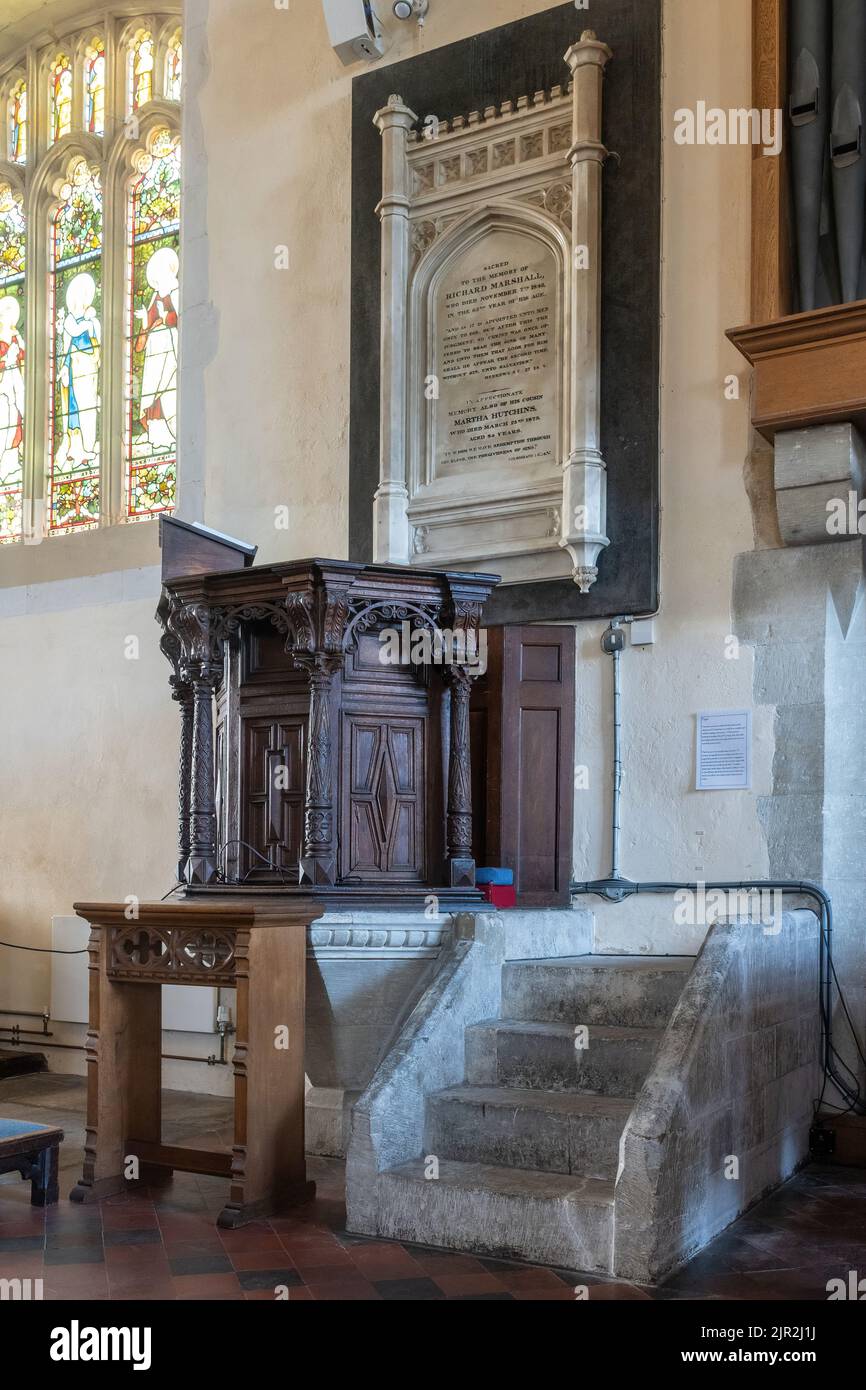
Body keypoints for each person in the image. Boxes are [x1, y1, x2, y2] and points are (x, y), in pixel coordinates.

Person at [135, 246, 179, 452]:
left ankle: (169, 434)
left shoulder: (177, 293)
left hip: (171, 349)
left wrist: (165, 318)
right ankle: (155, 434)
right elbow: (141, 339)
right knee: (152, 391)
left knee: (168, 388)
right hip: (154, 351)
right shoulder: (154, 297)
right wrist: (145, 322)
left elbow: (180, 319)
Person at [55, 272, 100, 469]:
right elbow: (68, 347)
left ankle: (87, 447)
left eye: (81, 298)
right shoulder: (70, 323)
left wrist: (89, 325)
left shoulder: (93, 323)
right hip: (74, 370)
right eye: (74, 298)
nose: (77, 302)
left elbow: (97, 347)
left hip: (88, 372)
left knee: (87, 408)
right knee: (73, 410)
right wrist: (64, 369)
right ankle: (75, 449)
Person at [0, 295, 25, 464]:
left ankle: (11, 459)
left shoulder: (16, 336)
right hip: (3, 383)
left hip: (15, 378)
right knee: (4, 414)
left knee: (16, 414)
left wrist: (18, 348)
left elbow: (24, 355)